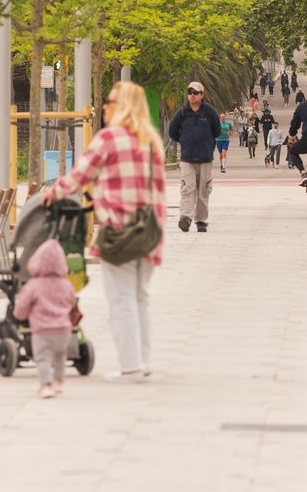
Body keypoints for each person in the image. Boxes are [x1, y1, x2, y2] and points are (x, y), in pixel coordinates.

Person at [42, 82, 166, 383]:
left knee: (121, 299)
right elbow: (159, 192)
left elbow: (79, 175)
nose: (104, 107)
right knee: (139, 297)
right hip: (149, 229)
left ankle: (130, 367)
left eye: (109, 101)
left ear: (121, 105)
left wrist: (52, 193)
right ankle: (143, 361)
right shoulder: (151, 141)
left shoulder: (109, 138)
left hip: (119, 231)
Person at [13, 238, 76, 398]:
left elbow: (22, 306)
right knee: (60, 356)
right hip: (63, 329)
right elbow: (72, 300)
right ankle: (59, 382)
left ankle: (46, 385)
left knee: (43, 359)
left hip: (42, 330)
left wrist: (19, 315)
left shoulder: (33, 285)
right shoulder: (66, 284)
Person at [169, 81, 221, 232]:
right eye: (190, 92)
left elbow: (217, 131)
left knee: (204, 189)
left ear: (202, 95)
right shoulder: (182, 113)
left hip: (205, 158)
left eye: (195, 93)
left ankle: (201, 220)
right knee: (188, 188)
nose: (192, 95)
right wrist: (185, 141)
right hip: (187, 159)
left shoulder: (209, 112)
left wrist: (206, 142)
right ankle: (185, 217)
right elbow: (172, 132)